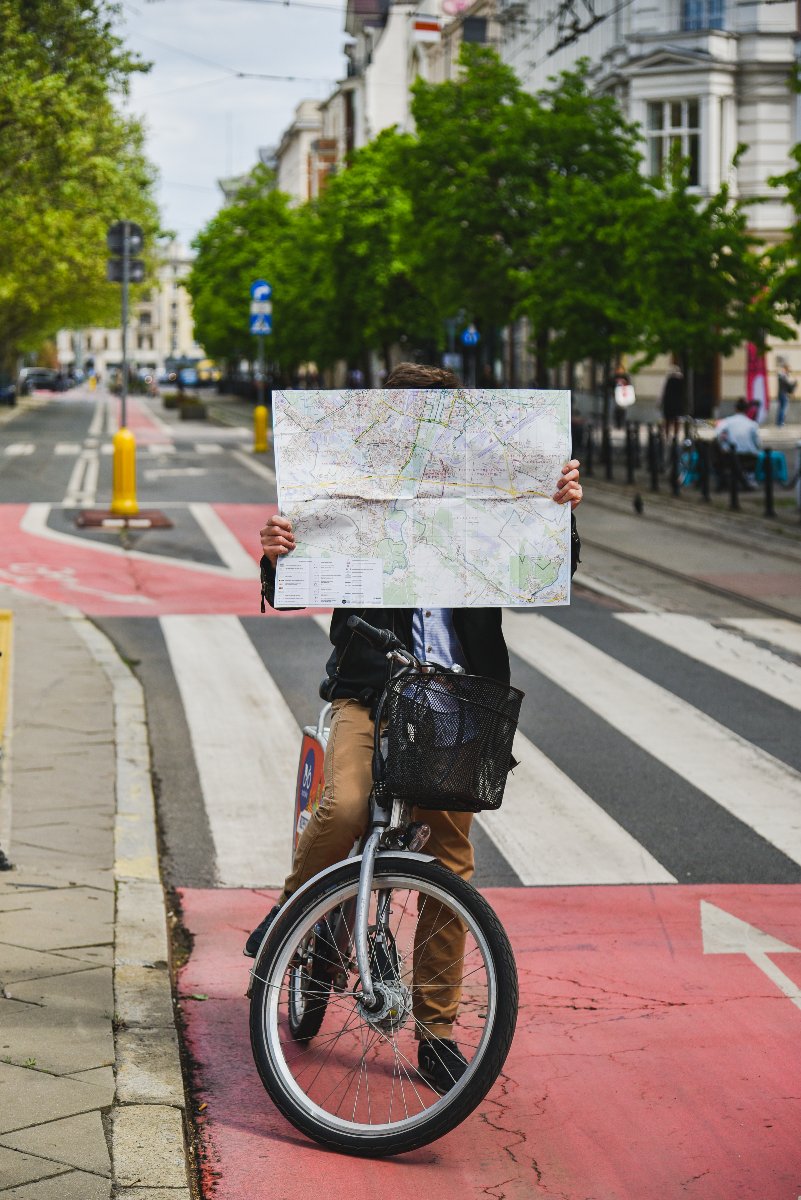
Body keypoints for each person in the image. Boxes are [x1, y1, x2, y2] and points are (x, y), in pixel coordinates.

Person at [245, 362, 583, 1094]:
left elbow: (549, 564)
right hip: (371, 691)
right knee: (341, 807)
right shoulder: (352, 495)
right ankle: (291, 921)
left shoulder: (483, 499)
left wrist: (557, 511)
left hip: (457, 701)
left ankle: (434, 1031)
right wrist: (277, 553)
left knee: (448, 862)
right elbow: (288, 585)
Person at [714, 397, 762, 490]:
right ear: (747, 410)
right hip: (750, 457)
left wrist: (723, 446)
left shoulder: (726, 422)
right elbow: (758, 443)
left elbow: (718, 435)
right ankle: (749, 479)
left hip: (730, 456)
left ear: (735, 408)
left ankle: (722, 481)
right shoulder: (752, 424)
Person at [660, 362, 686, 441]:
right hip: (677, 403)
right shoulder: (681, 380)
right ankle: (675, 436)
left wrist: (661, 402)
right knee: (676, 420)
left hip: (668, 403)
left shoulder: (669, 379)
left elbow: (664, 392)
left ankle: (667, 436)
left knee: (668, 421)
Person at [776, 357, 796, 428]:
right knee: (783, 408)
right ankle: (780, 422)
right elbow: (787, 383)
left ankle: (779, 422)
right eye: (788, 369)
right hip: (783, 394)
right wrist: (792, 383)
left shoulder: (783, 375)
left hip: (783, 393)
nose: (788, 370)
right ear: (785, 369)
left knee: (781, 408)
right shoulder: (782, 375)